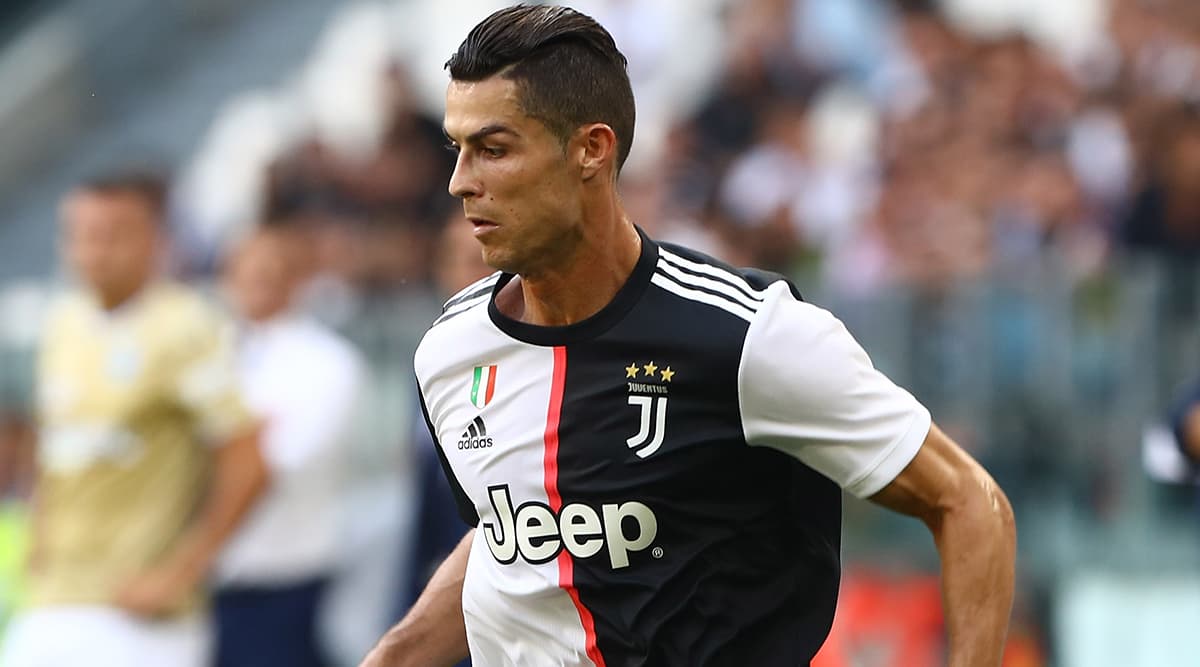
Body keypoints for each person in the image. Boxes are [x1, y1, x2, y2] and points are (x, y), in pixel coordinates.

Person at [359, 6, 1016, 667]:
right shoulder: (450, 351)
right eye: (458, 147)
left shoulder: (747, 335)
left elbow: (968, 502)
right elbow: (513, 534)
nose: (459, 181)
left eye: (493, 149)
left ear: (592, 148)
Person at [0, 172, 269, 667]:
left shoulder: (184, 326)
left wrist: (180, 572)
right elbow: (52, 440)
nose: (94, 250)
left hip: (137, 612)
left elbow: (248, 460)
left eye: (112, 234)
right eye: (81, 235)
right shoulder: (63, 322)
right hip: (54, 597)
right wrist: (38, 531)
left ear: (153, 241)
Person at [213, 226, 365, 667]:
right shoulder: (210, 351)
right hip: (208, 581)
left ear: (299, 279)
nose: (258, 283)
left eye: (272, 272)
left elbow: (280, 461)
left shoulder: (329, 362)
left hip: (285, 578)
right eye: (247, 271)